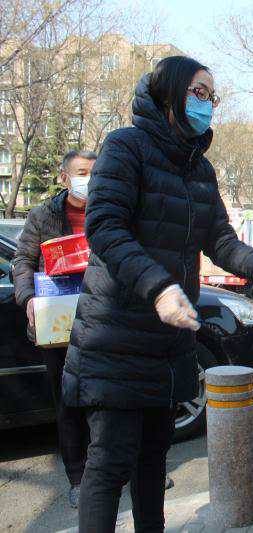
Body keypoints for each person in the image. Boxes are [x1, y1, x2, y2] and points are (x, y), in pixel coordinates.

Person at [61, 56, 253, 532]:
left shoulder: (199, 169)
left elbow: (219, 238)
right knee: (109, 464)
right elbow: (105, 228)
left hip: (169, 342)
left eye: (212, 97)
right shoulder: (125, 147)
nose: (207, 104)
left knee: (153, 463)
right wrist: (159, 286)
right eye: (198, 93)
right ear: (168, 92)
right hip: (116, 333)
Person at [12, 149, 96, 509]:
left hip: (102, 321)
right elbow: (22, 260)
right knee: (68, 402)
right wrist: (28, 298)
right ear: (64, 177)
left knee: (111, 400)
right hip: (58, 326)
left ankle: (124, 470)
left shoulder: (109, 210)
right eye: (82, 172)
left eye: (94, 172)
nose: (88, 179)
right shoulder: (42, 215)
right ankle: (78, 478)